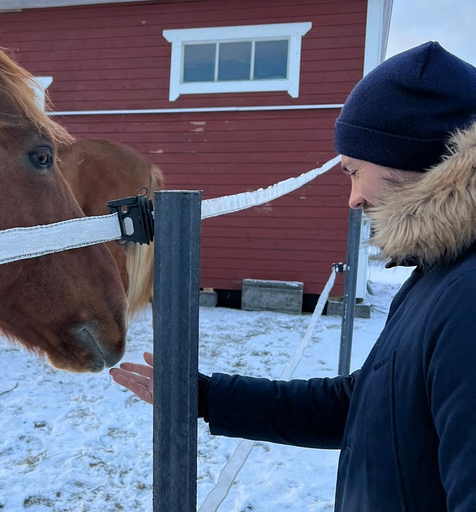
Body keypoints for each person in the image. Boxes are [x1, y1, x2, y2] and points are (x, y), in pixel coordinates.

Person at [110, 41, 476, 512]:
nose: (353, 198)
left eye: (354, 171)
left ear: (409, 157)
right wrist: (206, 397)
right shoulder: (437, 278)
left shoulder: (466, 298)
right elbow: (362, 408)